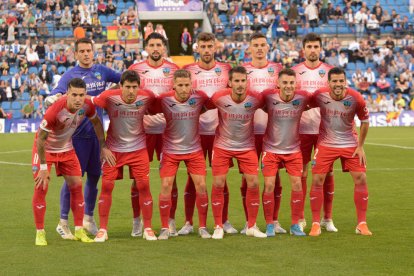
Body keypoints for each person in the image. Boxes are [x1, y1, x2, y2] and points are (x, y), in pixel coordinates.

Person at [46, 38, 121, 239]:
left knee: (95, 177)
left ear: (93, 52)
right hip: (76, 136)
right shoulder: (70, 75)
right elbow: (56, 94)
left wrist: (114, 93)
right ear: (76, 54)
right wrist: (52, 98)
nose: (87, 54)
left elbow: (124, 79)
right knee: (73, 179)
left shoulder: (103, 71)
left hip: (97, 135)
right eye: (82, 51)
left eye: (89, 50)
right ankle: (63, 222)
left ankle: (88, 219)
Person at [32, 78, 109, 245]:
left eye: (81, 95)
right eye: (74, 95)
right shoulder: (55, 110)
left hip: (66, 148)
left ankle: (79, 230)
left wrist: (103, 145)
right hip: (45, 148)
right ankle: (40, 232)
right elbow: (41, 140)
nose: (78, 99)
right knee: (41, 185)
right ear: (67, 94)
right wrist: (44, 167)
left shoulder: (87, 105)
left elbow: (96, 122)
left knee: (77, 185)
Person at [91, 70, 157, 242]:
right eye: (127, 87)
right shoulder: (109, 97)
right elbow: (89, 106)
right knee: (106, 186)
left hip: (138, 149)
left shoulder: (147, 96)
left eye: (134, 87)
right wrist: (103, 145)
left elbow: (161, 104)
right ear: (121, 86)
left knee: (143, 186)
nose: (131, 91)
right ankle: (103, 230)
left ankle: (147, 228)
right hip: (114, 150)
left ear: (139, 87)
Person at [181, 32, 235, 235]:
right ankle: (188, 222)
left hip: (221, 133)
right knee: (192, 179)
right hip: (193, 132)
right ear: (197, 48)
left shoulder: (226, 70)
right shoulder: (188, 71)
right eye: (202, 47)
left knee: (221, 179)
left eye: (209, 46)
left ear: (215, 47)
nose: (206, 50)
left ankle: (225, 220)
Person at [308, 67, 372, 237]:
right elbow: (305, 104)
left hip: (350, 143)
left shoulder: (355, 97)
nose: (338, 84)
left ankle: (362, 224)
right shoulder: (320, 94)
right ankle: (316, 223)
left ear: (345, 82)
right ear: (328, 83)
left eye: (341, 81)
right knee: (317, 179)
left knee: (361, 177)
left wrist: (360, 146)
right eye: (334, 81)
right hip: (326, 143)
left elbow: (365, 122)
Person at [128, 32, 179, 237]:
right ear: (146, 48)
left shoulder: (174, 70)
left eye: (159, 45)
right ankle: (136, 221)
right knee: (138, 179)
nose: (156, 48)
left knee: (171, 178)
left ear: (164, 48)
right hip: (143, 132)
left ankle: (172, 221)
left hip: (168, 132)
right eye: (152, 45)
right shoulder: (135, 70)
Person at [209, 66, 266, 239]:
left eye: (243, 81)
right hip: (222, 146)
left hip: (246, 146)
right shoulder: (218, 98)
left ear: (246, 82)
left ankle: (251, 226)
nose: (240, 84)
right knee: (218, 183)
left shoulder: (256, 99)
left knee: (254, 183)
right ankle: (218, 226)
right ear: (230, 83)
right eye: (237, 81)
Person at [155, 69, 210, 240]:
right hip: (171, 151)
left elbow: (208, 106)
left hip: (194, 150)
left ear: (191, 85)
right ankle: (165, 226)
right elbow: (148, 108)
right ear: (173, 85)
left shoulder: (199, 97)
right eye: (180, 85)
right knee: (166, 186)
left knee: (201, 185)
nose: (184, 89)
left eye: (187, 85)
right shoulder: (164, 100)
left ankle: (202, 226)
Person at [291, 33, 336, 232]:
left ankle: (327, 218)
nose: (312, 50)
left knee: (327, 173)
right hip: (300, 130)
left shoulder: (330, 72)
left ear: (320, 49)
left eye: (315, 46)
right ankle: (300, 218)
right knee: (300, 172)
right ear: (303, 49)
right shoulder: (293, 72)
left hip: (325, 130)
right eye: (309, 46)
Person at [241, 32, 284, 235]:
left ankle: (274, 221)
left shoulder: (277, 70)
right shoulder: (242, 72)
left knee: (275, 179)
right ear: (249, 48)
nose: (259, 48)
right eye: (255, 45)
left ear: (268, 47)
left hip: (273, 133)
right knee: (247, 180)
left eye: (262, 45)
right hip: (247, 133)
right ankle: (248, 222)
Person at [261, 68, 311, 237]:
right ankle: (269, 224)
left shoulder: (302, 97)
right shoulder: (268, 96)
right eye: (285, 83)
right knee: (269, 185)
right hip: (271, 149)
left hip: (293, 150)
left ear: (295, 84)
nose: (288, 86)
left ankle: (295, 224)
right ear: (278, 84)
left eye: (291, 83)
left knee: (297, 185)